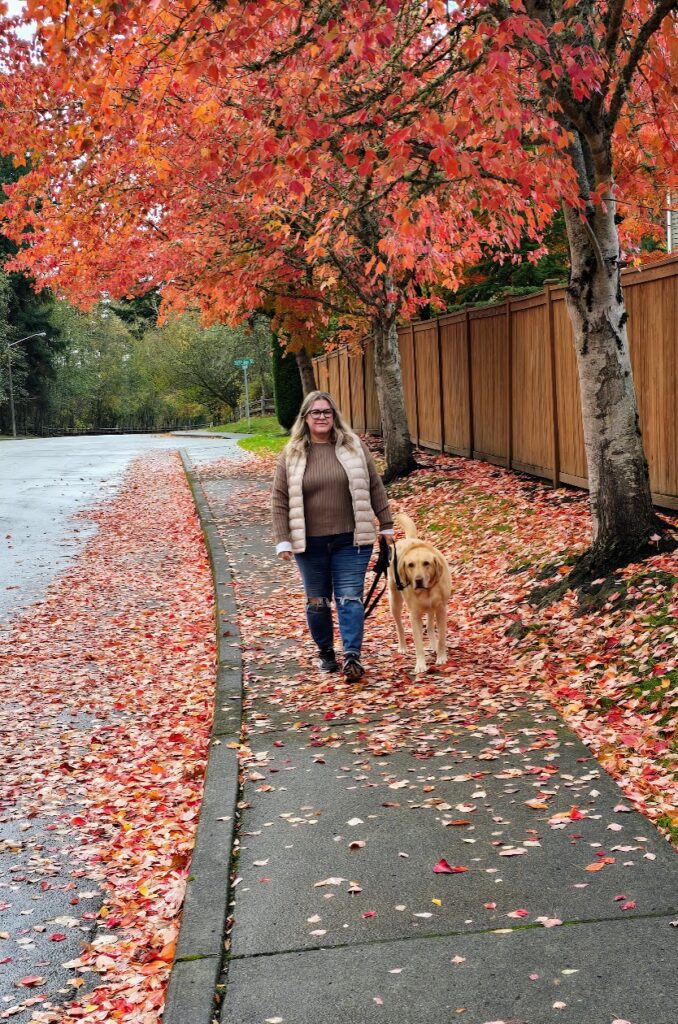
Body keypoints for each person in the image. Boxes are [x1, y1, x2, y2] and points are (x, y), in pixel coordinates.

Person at [271, 390, 394, 681]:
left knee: (350, 597)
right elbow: (279, 499)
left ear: (334, 415)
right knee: (317, 601)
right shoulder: (292, 454)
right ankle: (326, 652)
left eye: (327, 412)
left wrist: (386, 524)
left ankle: (352, 656)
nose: (322, 417)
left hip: (351, 540)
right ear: (306, 417)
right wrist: (283, 539)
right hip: (309, 543)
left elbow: (375, 485)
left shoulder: (353, 447)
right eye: (316, 412)